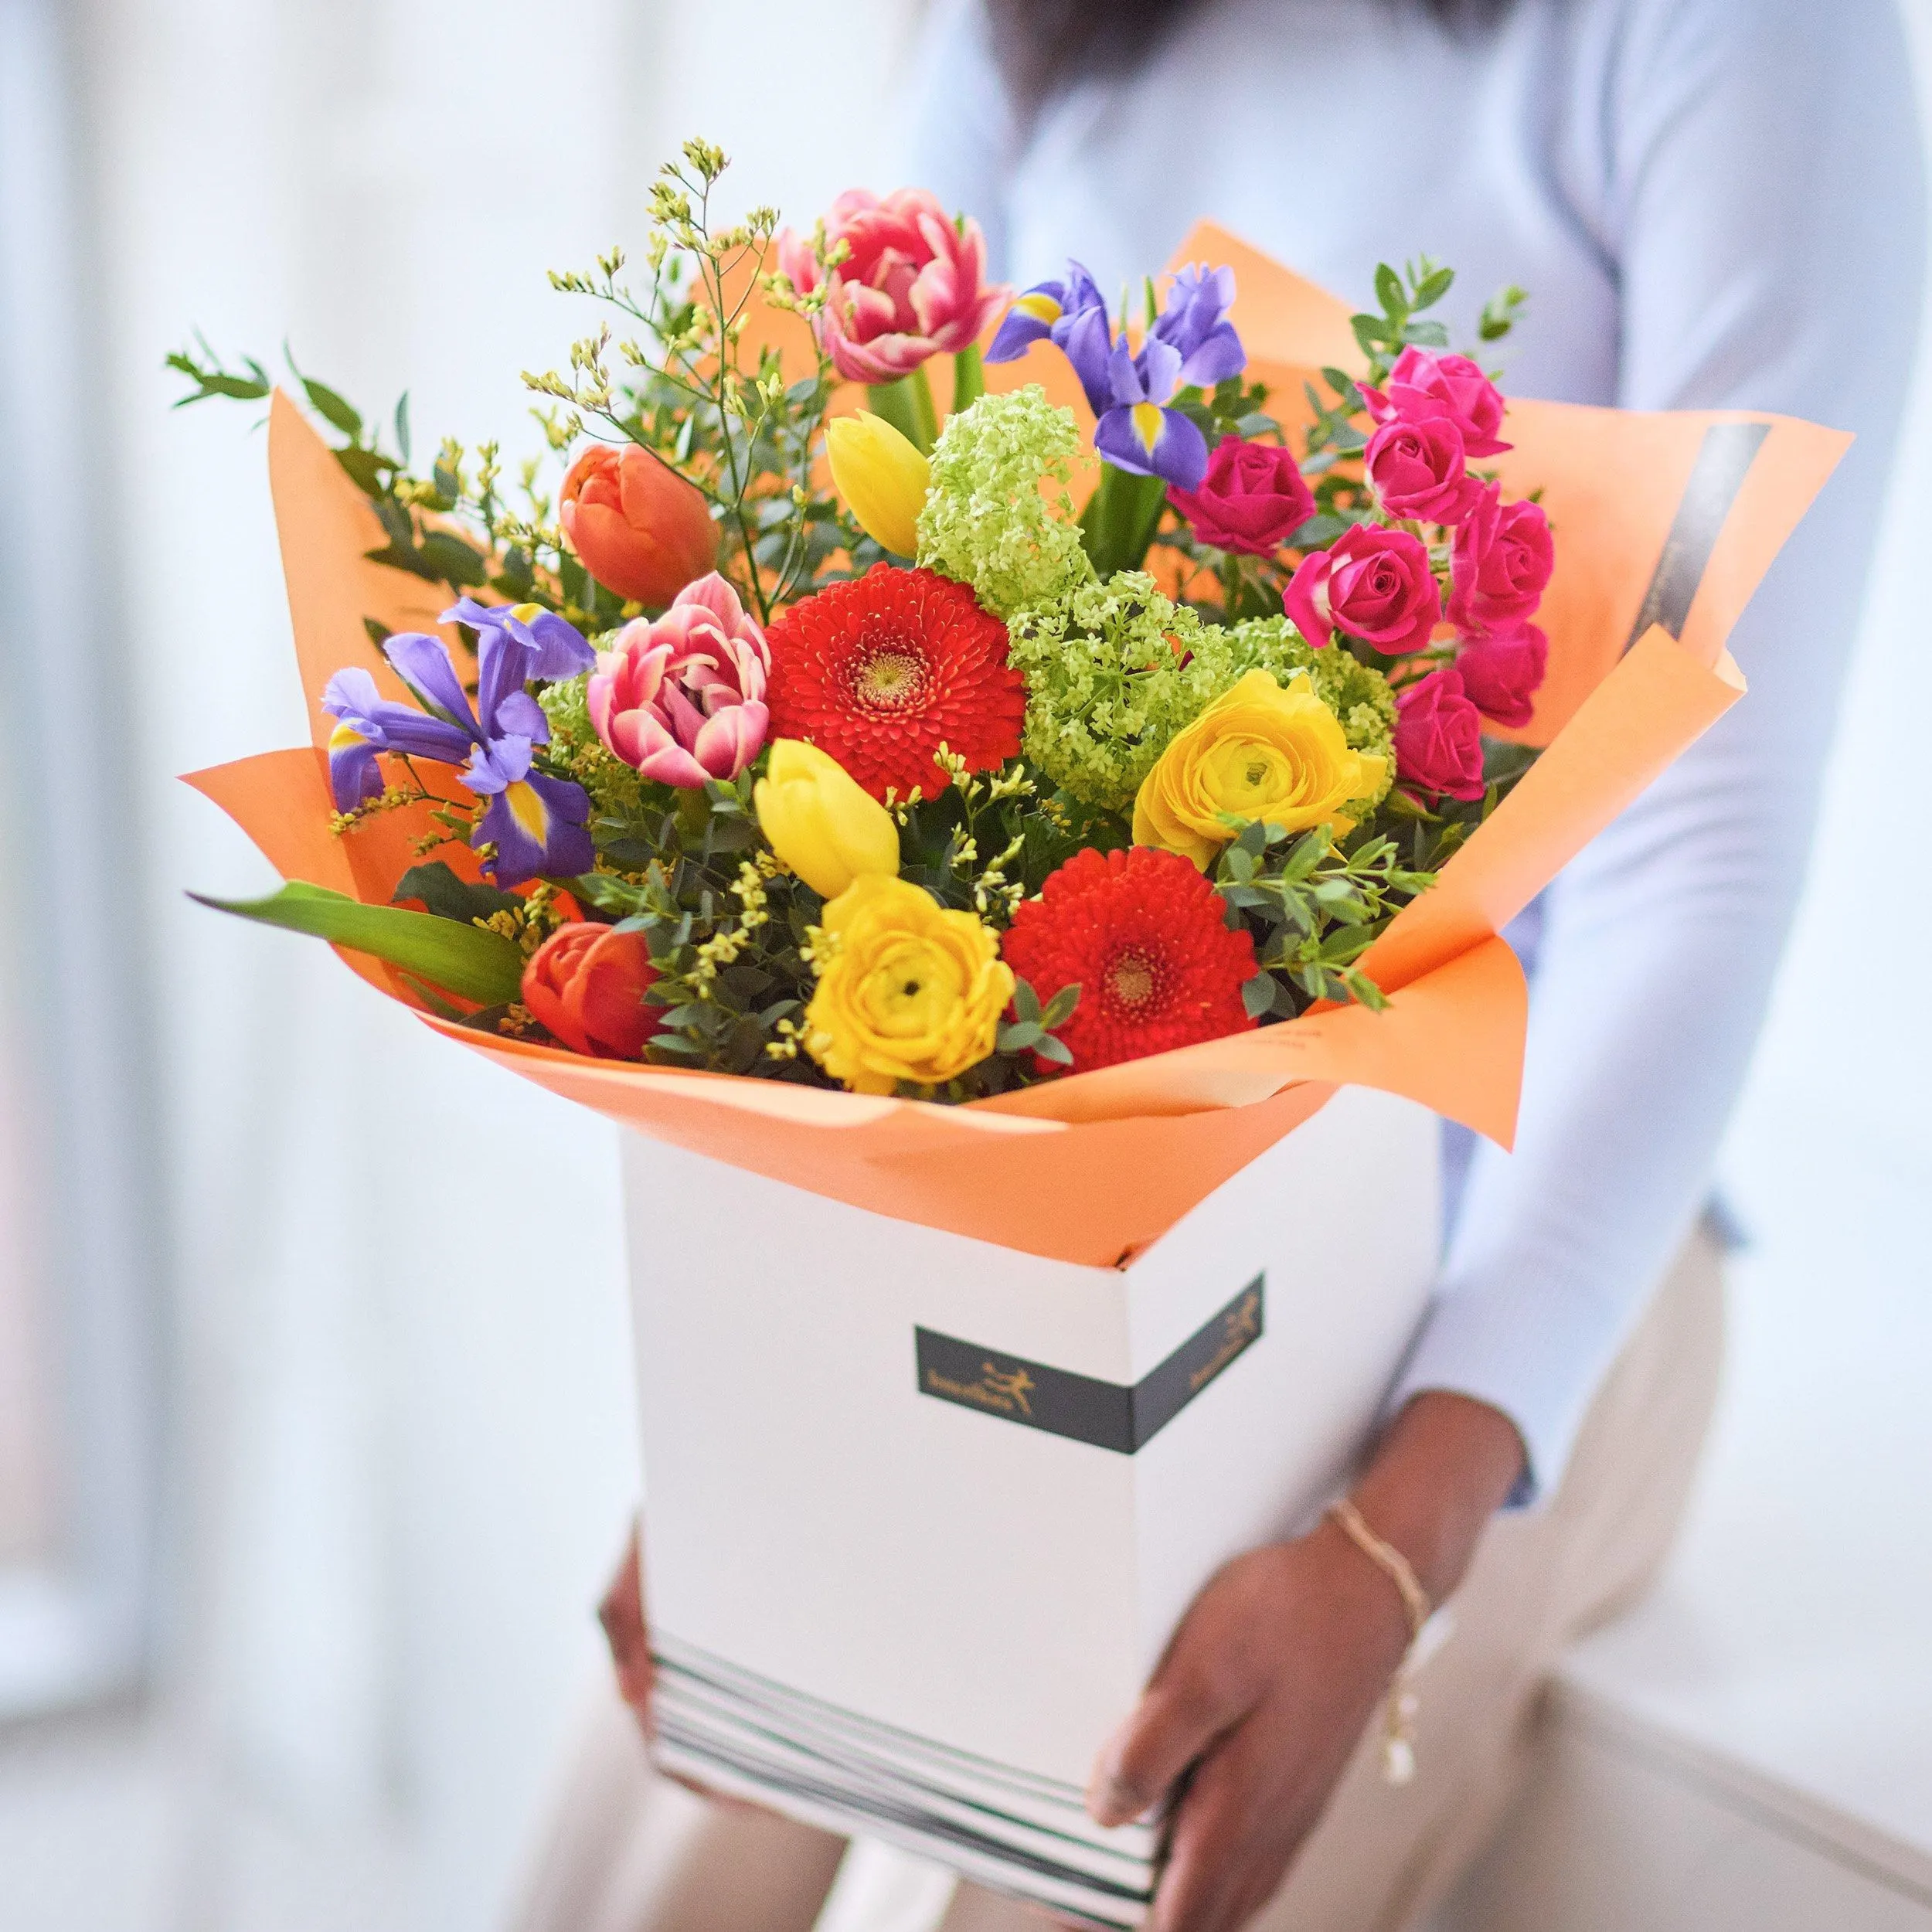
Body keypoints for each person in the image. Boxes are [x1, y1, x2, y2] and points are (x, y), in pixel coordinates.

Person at [511, 3, 1927, 1929]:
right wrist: (767, 1392)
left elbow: (1701, 822)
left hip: (1484, 1242)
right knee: (669, 1811)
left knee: (1094, 1850)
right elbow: (846, 599)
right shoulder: (1033, 33)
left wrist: (1393, 1531)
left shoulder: (1736, 36)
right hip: (1020, 1213)